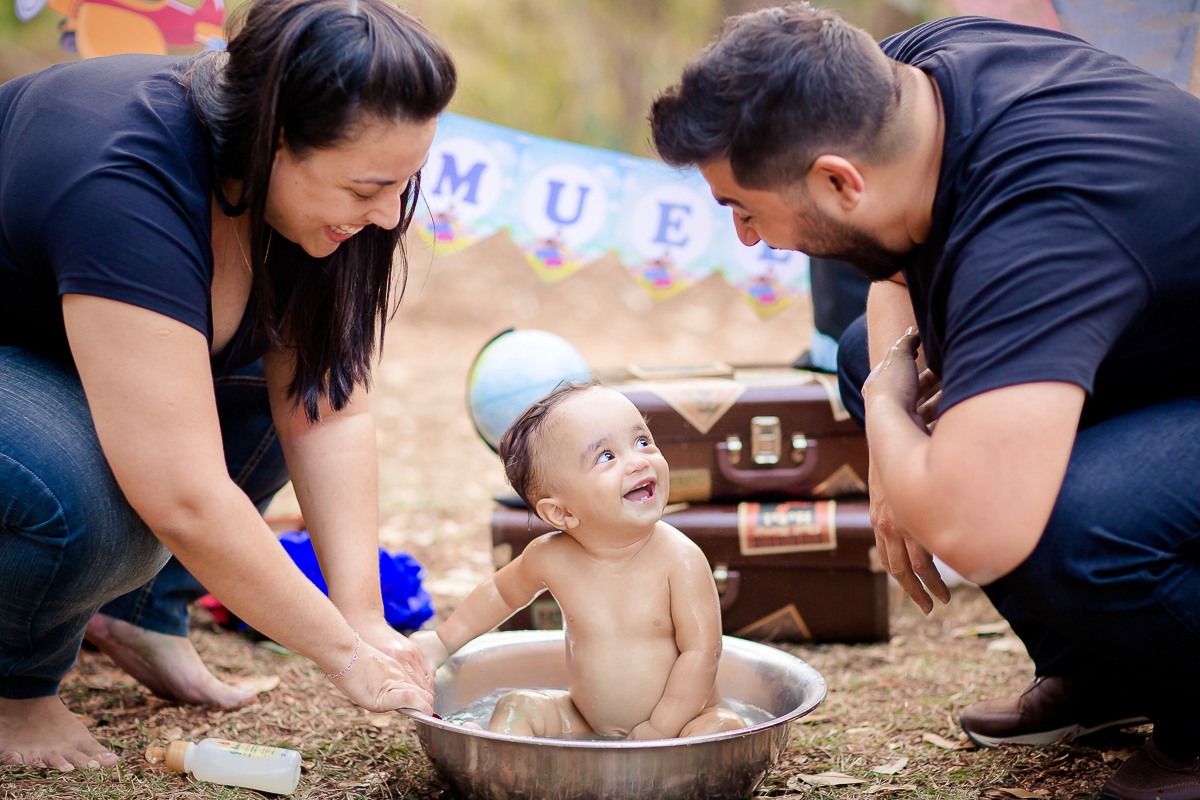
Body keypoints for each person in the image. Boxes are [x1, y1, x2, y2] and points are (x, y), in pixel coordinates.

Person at [649, 5, 1200, 799]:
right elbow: (895, 275)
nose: (746, 237)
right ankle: (1107, 669)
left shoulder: (1037, 229)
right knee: (862, 355)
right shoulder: (905, 76)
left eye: (745, 208)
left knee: (1065, 524)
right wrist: (892, 427)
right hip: (1156, 345)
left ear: (840, 179)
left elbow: (977, 529)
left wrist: (887, 420)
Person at [0, 0, 456, 772]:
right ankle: (15, 688)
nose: (386, 217)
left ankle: (140, 614)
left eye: (403, 185)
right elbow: (178, 492)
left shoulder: (302, 196)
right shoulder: (124, 176)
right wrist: (341, 657)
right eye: (366, 188)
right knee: (98, 506)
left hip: (60, 328)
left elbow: (326, 404)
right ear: (276, 140)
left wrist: (361, 615)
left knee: (249, 380)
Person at [412, 380, 745, 740]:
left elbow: (702, 652)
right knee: (517, 706)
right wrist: (443, 642)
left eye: (642, 441)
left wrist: (660, 728)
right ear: (561, 513)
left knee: (725, 728)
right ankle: (502, 760)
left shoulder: (679, 559)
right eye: (606, 456)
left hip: (681, 723)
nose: (637, 461)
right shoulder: (552, 557)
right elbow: (500, 593)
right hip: (584, 721)